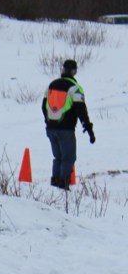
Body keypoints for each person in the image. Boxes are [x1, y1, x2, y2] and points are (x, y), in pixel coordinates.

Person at [43, 59, 94, 190]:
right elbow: (81, 110)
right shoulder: (75, 88)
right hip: (66, 129)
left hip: (50, 128)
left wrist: (49, 121)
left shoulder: (51, 85)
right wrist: (88, 129)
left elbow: (44, 106)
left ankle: (54, 184)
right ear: (74, 71)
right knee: (68, 158)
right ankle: (63, 185)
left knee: (57, 157)